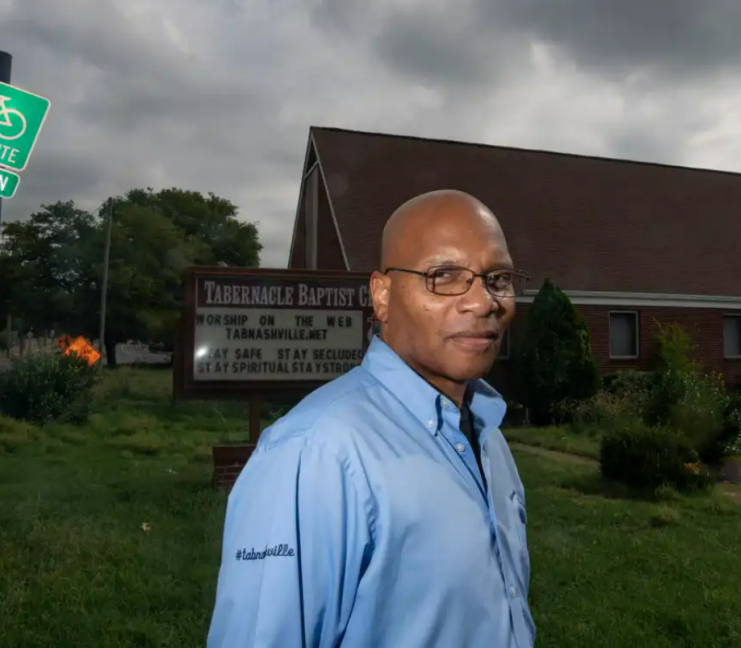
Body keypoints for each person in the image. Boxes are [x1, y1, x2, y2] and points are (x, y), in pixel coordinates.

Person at [206, 190, 535, 648]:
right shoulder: (316, 454)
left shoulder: (487, 435)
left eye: (497, 278)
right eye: (443, 276)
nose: (482, 302)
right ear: (382, 296)